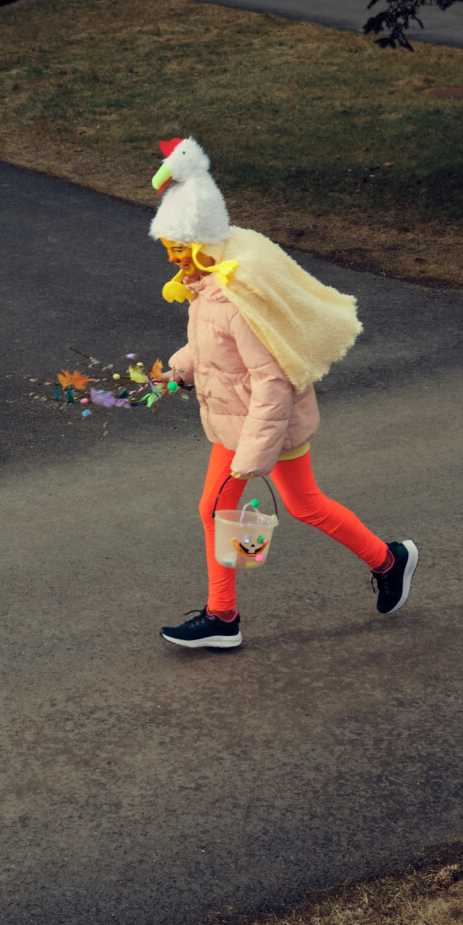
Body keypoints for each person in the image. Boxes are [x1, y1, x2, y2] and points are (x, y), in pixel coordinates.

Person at [149, 136, 417, 649]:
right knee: (302, 504)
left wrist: (252, 457)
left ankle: (223, 619)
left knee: (225, 509)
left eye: (178, 250)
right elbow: (211, 350)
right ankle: (389, 560)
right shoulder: (207, 288)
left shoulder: (234, 298)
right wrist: (176, 371)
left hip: (260, 427)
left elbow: (273, 379)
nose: (172, 260)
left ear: (201, 245)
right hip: (241, 419)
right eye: (169, 249)